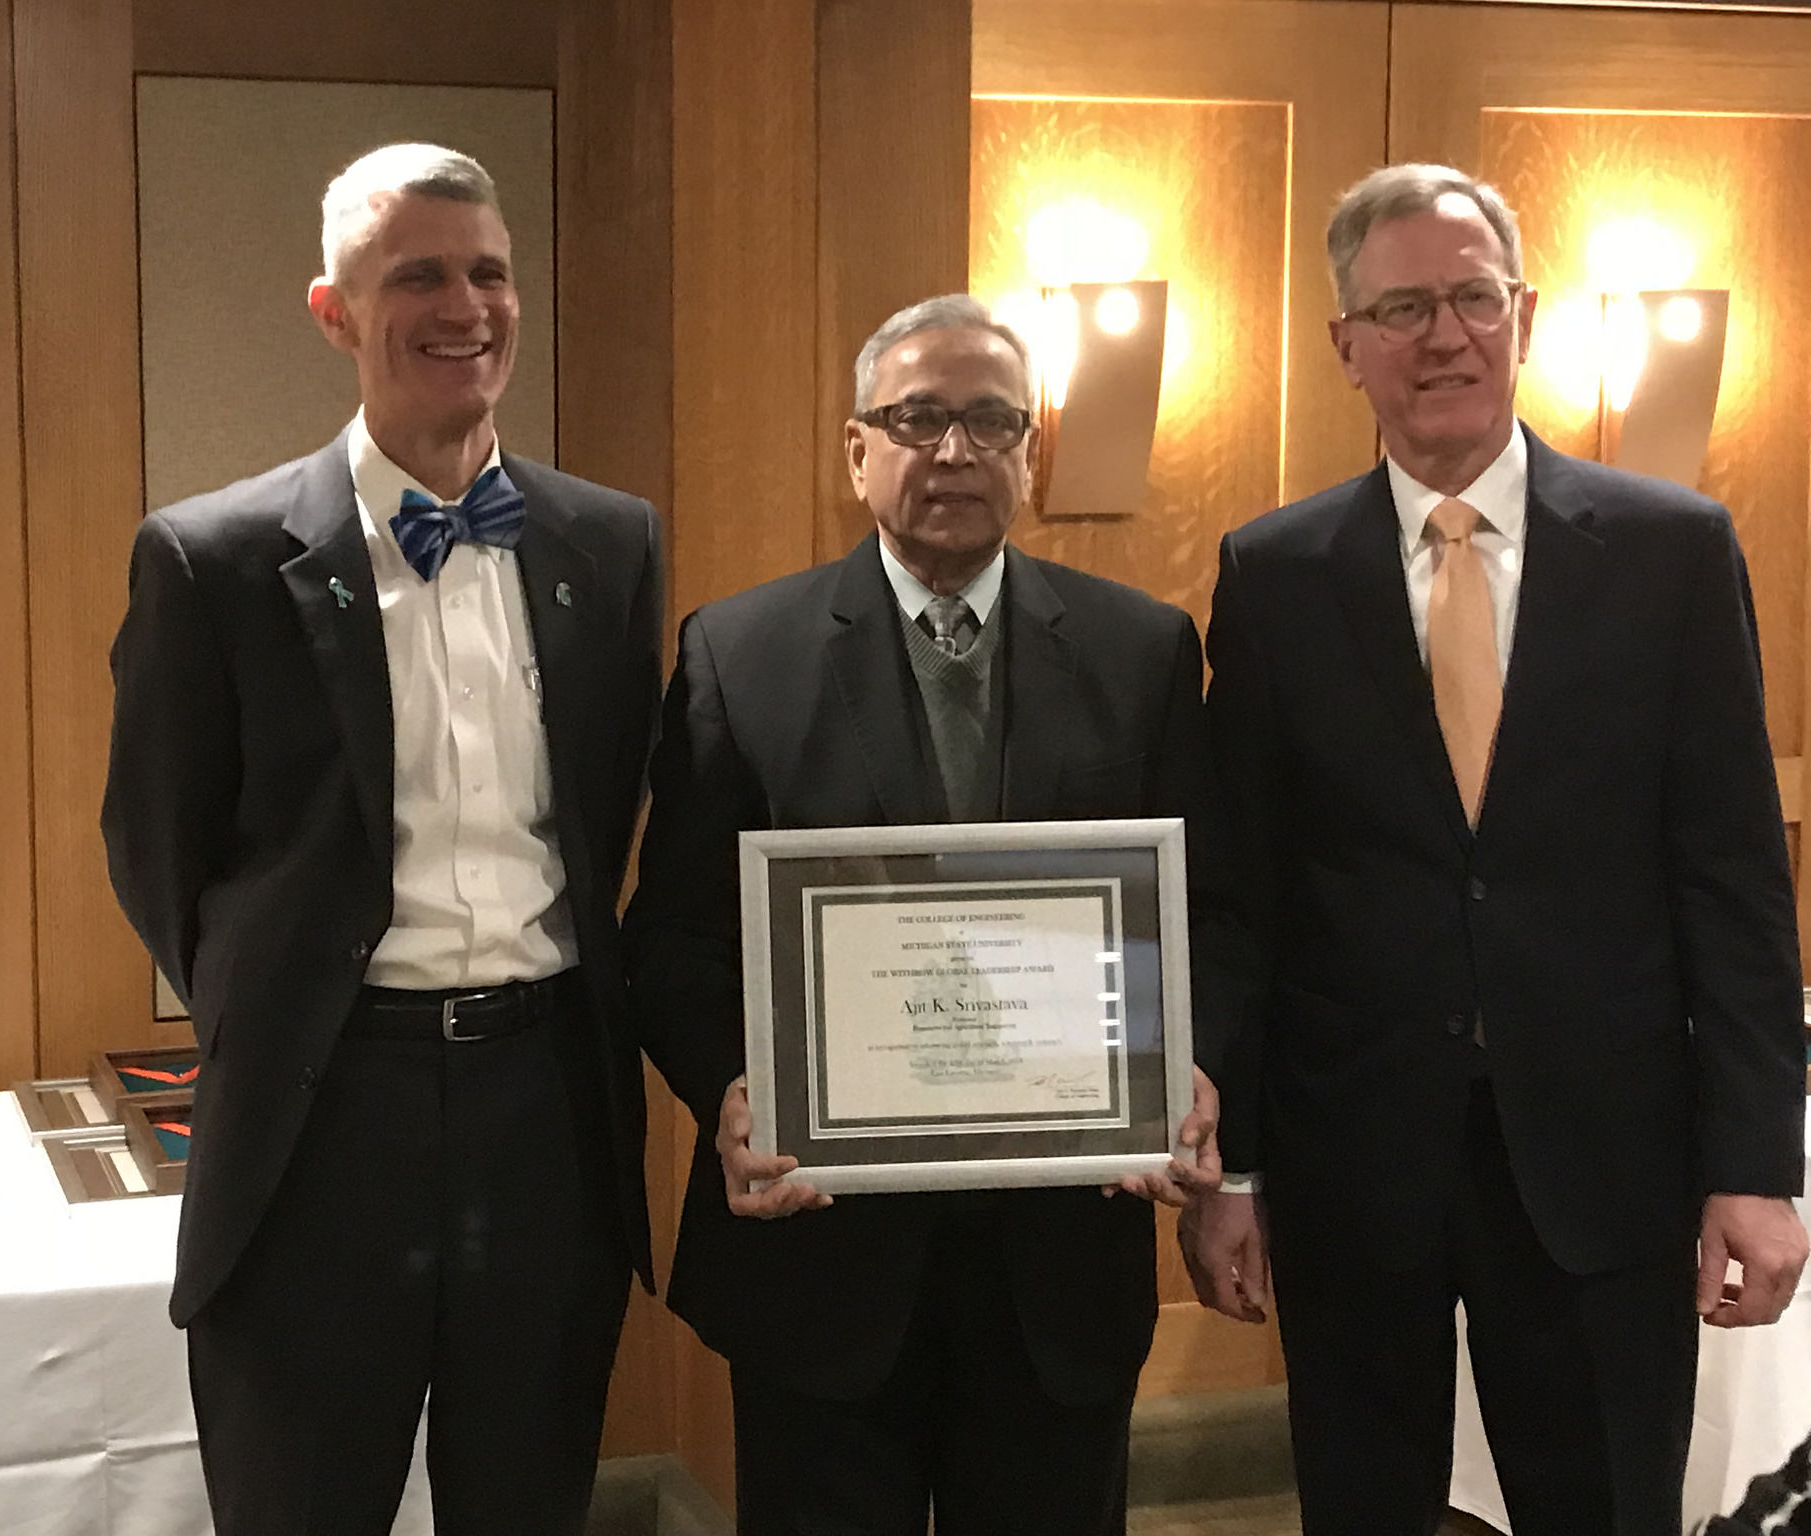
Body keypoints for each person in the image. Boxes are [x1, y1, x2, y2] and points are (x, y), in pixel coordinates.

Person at [1183, 162, 1810, 1536]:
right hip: (1357, 1165)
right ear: (1345, 345)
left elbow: (1736, 886)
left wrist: (1756, 1167)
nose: (1444, 336)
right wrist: (1231, 1173)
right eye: (1401, 306)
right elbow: (1242, 896)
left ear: (1524, 316)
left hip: (1606, 1163)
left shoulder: (1673, 554)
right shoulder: (1275, 574)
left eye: (1472, 297)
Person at [100, 143, 663, 1536]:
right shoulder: (210, 559)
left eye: (488, 272)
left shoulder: (610, 542)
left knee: (527, 1501)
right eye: (418, 275)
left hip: (548, 1118)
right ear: (335, 310)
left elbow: (613, 817)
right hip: (321, 1120)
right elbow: (157, 850)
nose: (463, 306)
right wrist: (288, 1005)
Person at [625, 293, 1219, 1536]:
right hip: (819, 1267)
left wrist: (1189, 1065)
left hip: (1060, 1259)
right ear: (857, 451)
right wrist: (732, 1088)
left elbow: (1202, 912)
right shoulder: (742, 653)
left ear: (1031, 452)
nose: (954, 451)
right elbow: (673, 939)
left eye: (989, 421)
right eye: (917, 418)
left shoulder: (1141, 652)